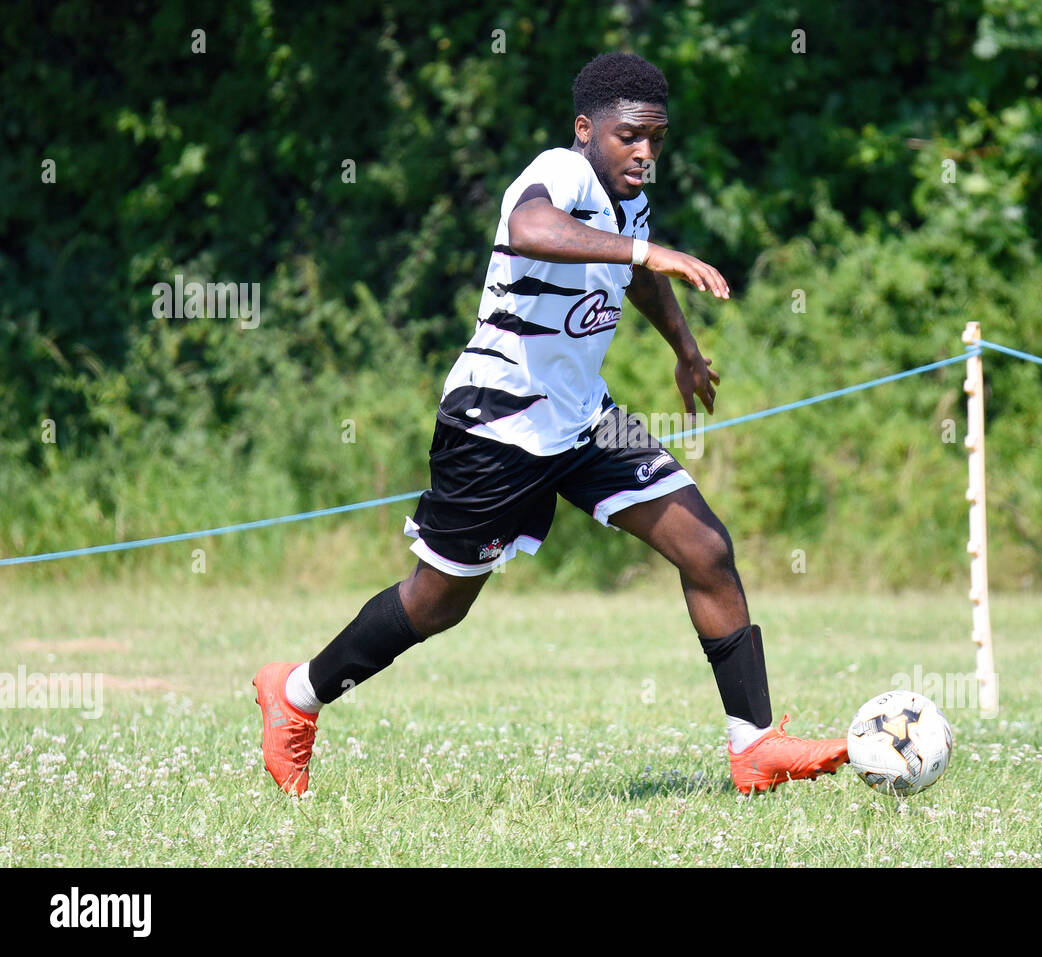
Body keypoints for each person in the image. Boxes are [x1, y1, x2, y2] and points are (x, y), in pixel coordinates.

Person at [253, 51, 847, 797]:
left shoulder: (629, 199)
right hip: (496, 428)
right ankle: (297, 694)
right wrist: (646, 248)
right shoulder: (558, 175)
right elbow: (534, 227)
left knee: (705, 547)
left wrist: (686, 349)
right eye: (631, 136)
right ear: (585, 128)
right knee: (439, 601)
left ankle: (754, 745)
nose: (645, 153)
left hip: (583, 421)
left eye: (657, 140)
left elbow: (633, 274)